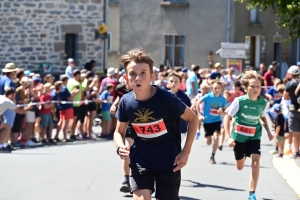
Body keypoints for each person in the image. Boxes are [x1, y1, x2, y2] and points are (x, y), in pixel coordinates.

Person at [114, 48, 198, 200]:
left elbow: (193, 119)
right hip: (141, 157)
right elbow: (118, 132)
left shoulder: (166, 99)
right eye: (132, 73)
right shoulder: (126, 101)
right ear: (126, 77)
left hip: (168, 159)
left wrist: (186, 151)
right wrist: (120, 146)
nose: (137, 78)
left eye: (143, 73)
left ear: (152, 76)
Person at [224, 70, 273, 200]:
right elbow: (226, 118)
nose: (256, 89)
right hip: (238, 139)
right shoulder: (239, 101)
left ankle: (252, 193)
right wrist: (228, 137)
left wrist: (268, 131)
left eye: (258, 86)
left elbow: (262, 117)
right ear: (245, 88)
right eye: (252, 86)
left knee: (256, 162)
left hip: (254, 136)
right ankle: (242, 155)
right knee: (240, 167)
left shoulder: (263, 103)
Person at [110, 78, 134, 193]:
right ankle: (126, 180)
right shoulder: (120, 89)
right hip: (129, 124)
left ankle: (152, 179)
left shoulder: (138, 89)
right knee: (127, 150)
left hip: (142, 123)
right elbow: (119, 99)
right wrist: (114, 106)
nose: (126, 83)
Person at [196, 80, 226, 164]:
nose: (217, 90)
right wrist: (199, 114)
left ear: (221, 89)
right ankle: (209, 139)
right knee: (208, 142)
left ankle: (212, 156)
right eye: (215, 88)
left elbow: (225, 112)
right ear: (212, 89)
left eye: (218, 88)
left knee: (216, 137)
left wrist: (221, 111)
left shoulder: (223, 99)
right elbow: (197, 102)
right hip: (207, 121)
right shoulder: (208, 96)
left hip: (217, 121)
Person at [0, 87, 32, 153]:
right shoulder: (8, 102)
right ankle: (1, 146)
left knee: (6, 126)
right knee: (7, 127)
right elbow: (20, 111)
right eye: (14, 95)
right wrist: (28, 107)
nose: (15, 97)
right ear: (10, 95)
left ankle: (3, 144)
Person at [168, 72, 191, 141]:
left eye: (176, 82)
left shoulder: (183, 96)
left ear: (180, 83)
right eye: (171, 81)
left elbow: (186, 112)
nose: (173, 83)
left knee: (174, 148)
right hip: (167, 128)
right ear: (168, 82)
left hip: (180, 128)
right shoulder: (164, 95)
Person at [284, 66, 300, 159]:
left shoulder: (289, 84)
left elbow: (285, 97)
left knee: (295, 132)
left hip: (294, 110)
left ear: (291, 75)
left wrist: (291, 97)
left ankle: (296, 152)